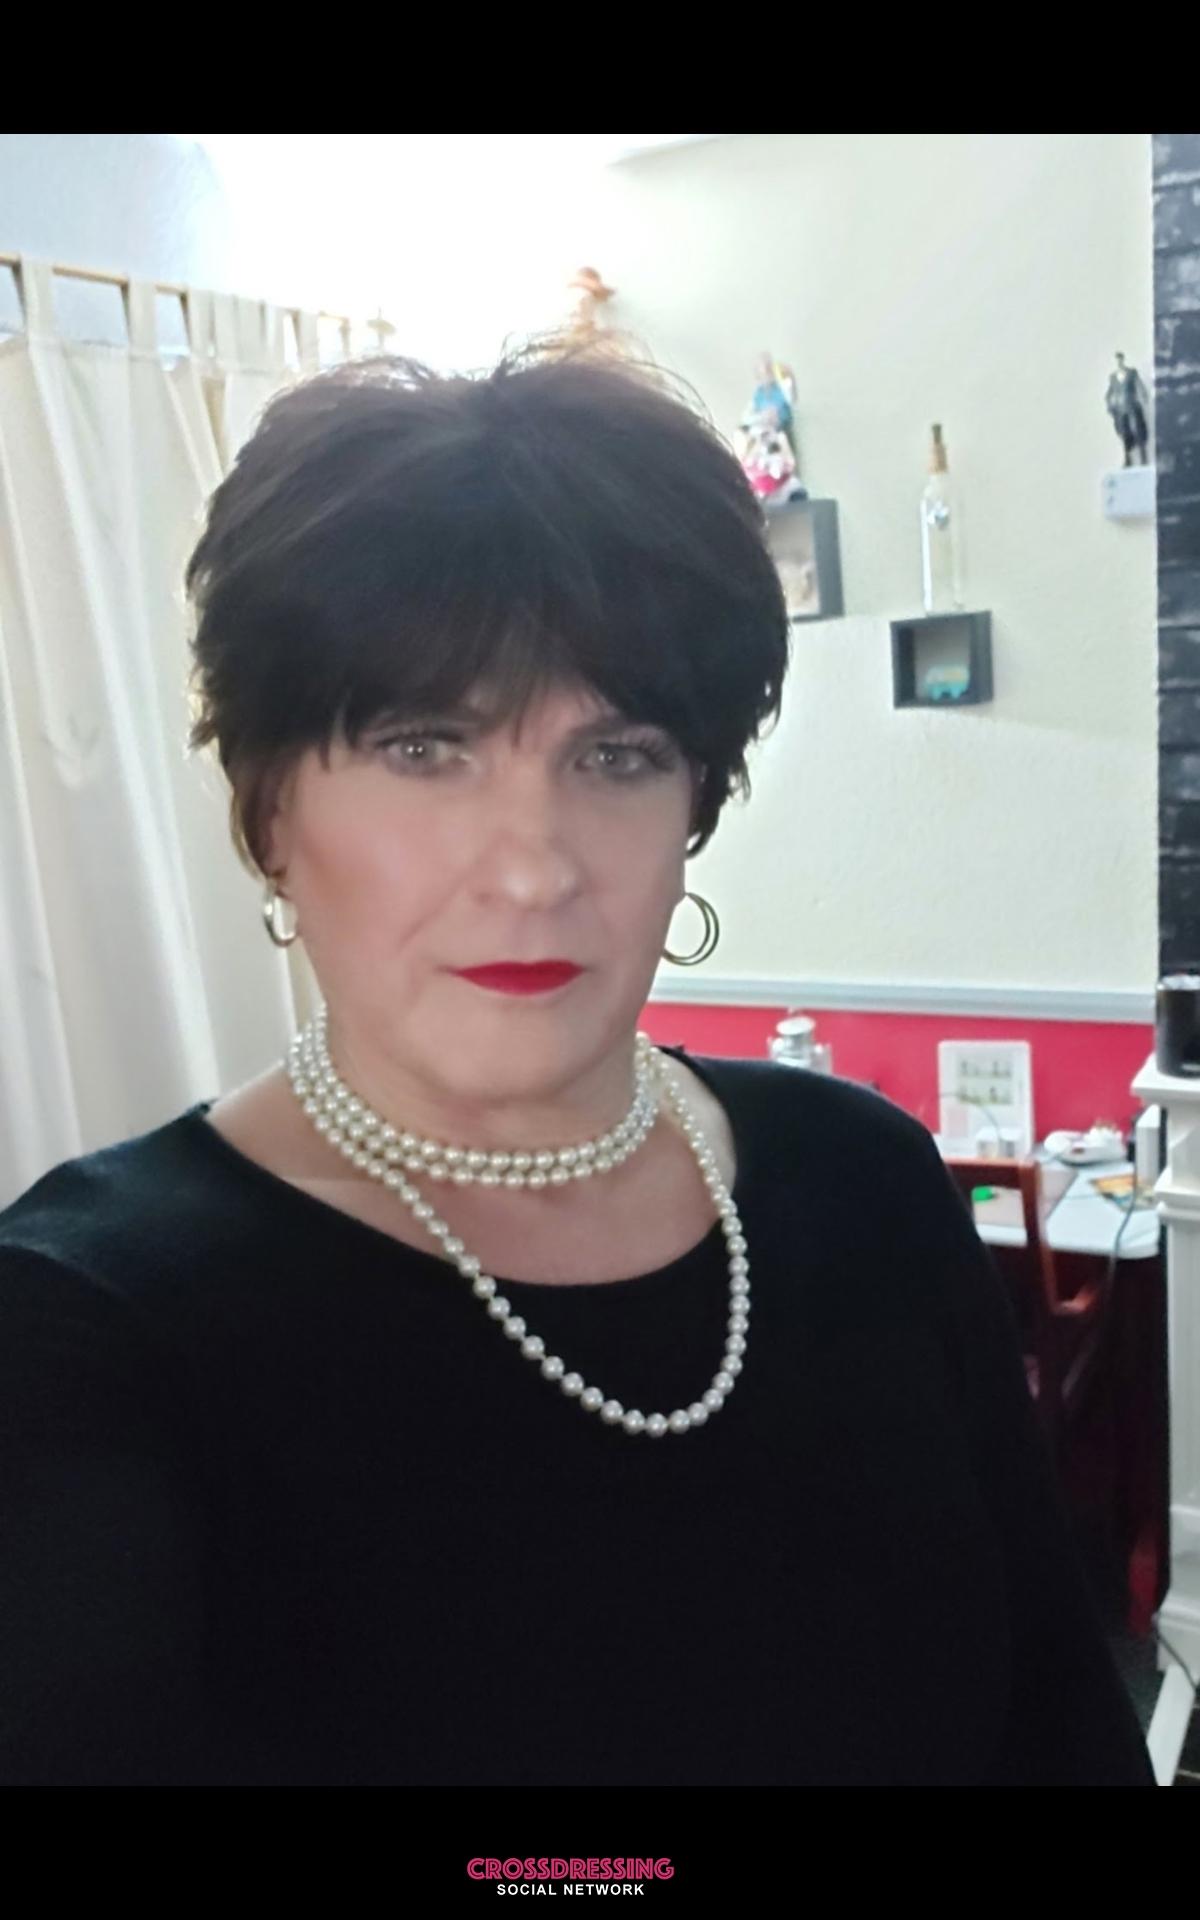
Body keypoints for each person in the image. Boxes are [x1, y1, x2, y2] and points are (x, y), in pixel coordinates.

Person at [0, 336, 1155, 1787]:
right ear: (269, 808)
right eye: (426, 748)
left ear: (696, 803)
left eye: (616, 757)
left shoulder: (863, 1182)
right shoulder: (86, 1332)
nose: (536, 868)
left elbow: (1058, 1717)